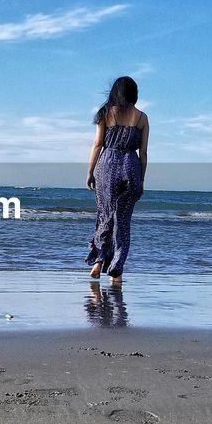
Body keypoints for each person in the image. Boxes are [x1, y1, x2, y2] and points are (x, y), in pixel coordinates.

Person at [85, 76, 148, 285]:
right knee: (122, 221)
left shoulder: (105, 113)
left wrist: (90, 171)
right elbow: (144, 152)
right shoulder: (142, 118)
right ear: (134, 94)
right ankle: (117, 273)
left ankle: (99, 261)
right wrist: (141, 179)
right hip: (131, 165)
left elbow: (97, 144)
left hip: (108, 164)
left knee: (105, 215)